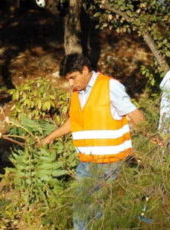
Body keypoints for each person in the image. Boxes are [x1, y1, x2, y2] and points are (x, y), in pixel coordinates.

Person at [40, 53, 145, 230]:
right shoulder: (77, 92)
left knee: (102, 212)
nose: (71, 84)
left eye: (73, 78)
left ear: (85, 70)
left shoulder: (109, 86)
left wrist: (149, 141)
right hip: (86, 162)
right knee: (81, 209)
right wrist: (51, 136)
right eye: (68, 79)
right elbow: (75, 122)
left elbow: (134, 114)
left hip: (111, 164)